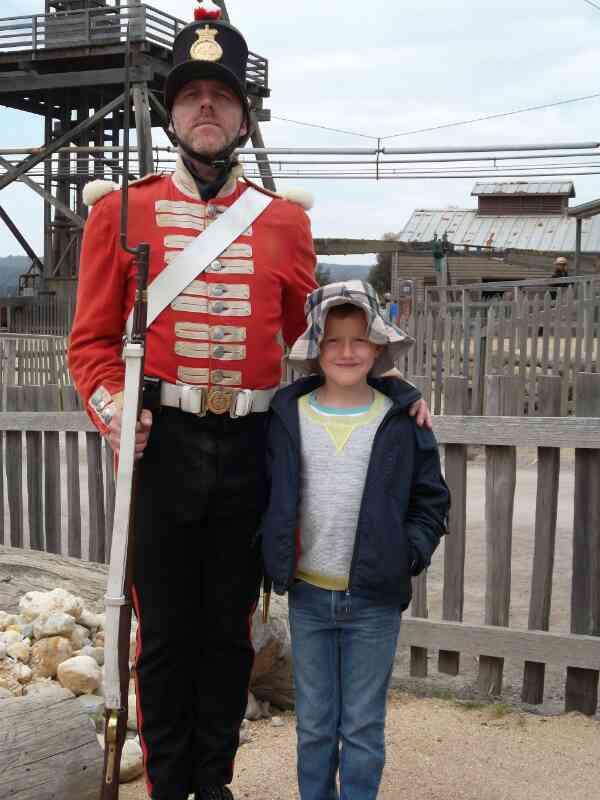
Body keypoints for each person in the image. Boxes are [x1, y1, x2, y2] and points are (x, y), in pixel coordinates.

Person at [68, 4, 432, 799]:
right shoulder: (119, 212)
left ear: (242, 116)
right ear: (173, 112)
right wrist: (116, 411)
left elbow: (321, 335)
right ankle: (169, 787)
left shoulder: (283, 221)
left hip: (250, 446)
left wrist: (390, 387)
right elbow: (90, 344)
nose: (207, 107)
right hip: (161, 445)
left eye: (222, 96)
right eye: (192, 94)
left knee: (230, 630)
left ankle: (214, 784)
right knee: (164, 632)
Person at [260, 281, 450, 800]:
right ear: (315, 348)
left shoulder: (402, 419)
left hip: (375, 600)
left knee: (363, 726)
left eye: (359, 340)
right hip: (308, 596)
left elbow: (431, 499)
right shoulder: (286, 415)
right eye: (333, 340)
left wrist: (407, 553)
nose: (347, 352)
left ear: (378, 347)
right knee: (315, 725)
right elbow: (264, 492)